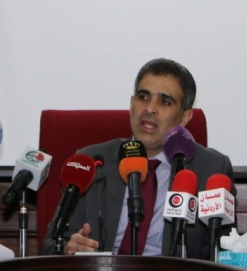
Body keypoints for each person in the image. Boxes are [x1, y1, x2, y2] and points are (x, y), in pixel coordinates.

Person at [40, 58, 234, 259]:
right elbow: (51, 245)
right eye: (143, 97)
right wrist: (67, 248)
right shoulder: (90, 163)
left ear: (185, 117)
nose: (150, 108)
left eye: (165, 101)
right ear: (132, 104)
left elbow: (225, 251)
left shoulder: (212, 169)